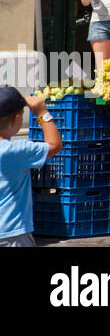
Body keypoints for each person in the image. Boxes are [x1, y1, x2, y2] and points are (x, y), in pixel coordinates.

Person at [0, 86, 62, 247]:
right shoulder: (15, 151)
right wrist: (42, 114)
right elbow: (54, 145)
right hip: (12, 234)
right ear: (16, 119)